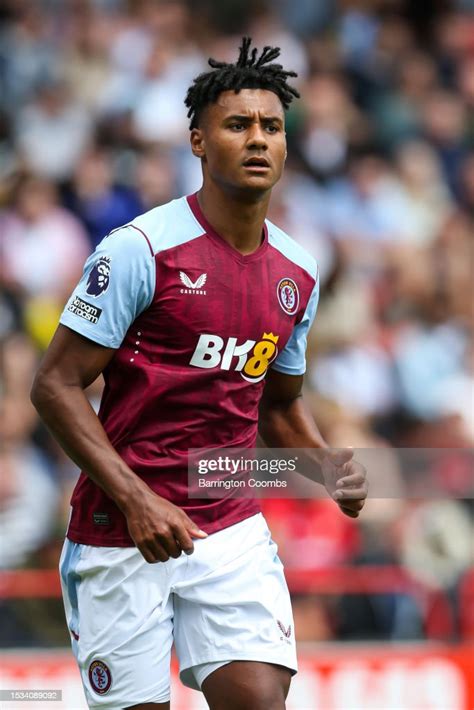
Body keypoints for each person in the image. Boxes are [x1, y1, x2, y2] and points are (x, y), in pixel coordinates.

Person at [31, 37, 368, 710]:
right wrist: (136, 500)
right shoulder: (140, 251)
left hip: (230, 523)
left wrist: (325, 465)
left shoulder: (298, 273)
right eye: (237, 124)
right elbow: (54, 385)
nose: (257, 139)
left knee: (260, 701)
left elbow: (277, 407)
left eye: (271, 127)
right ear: (197, 140)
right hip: (121, 529)